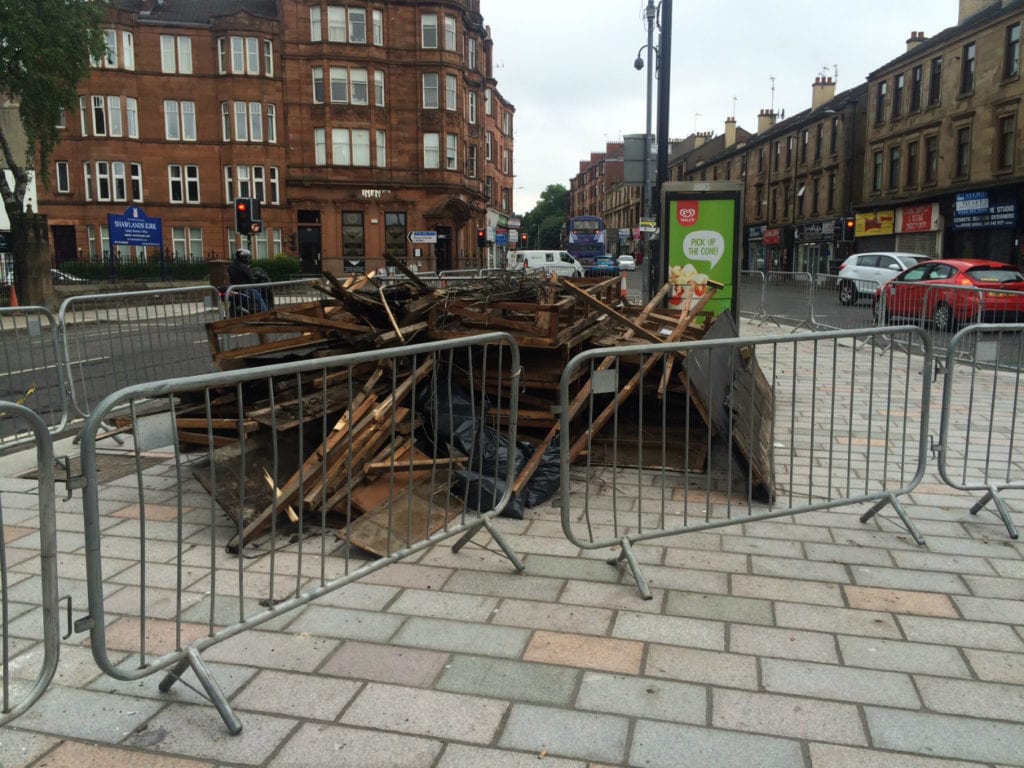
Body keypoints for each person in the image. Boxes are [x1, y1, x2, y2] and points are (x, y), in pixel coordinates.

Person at [227, 248, 269, 313]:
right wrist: (254, 283)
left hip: (234, 288)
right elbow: (250, 279)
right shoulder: (244, 267)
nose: (247, 259)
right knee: (260, 299)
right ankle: (265, 313)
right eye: (246, 257)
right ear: (243, 258)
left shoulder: (231, 266)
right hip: (246, 288)